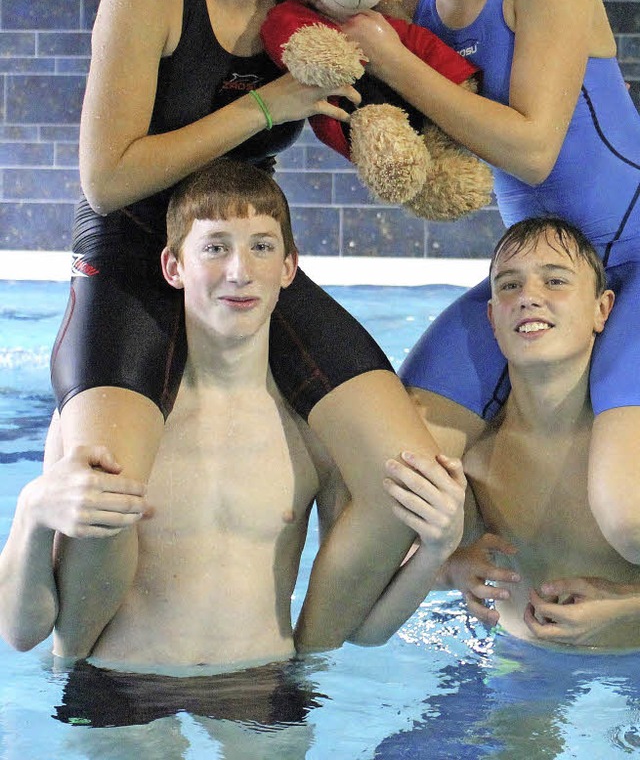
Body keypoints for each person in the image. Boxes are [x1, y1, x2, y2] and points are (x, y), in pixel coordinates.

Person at [140, 0, 640, 567]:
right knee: (394, 466)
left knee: (628, 507)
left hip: (632, 261)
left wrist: (394, 61)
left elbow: (534, 150)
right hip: (535, 276)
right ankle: (463, 581)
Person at [49, 0, 444, 657]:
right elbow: (107, 177)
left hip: (238, 255)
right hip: (129, 252)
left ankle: (300, 669)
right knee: (107, 493)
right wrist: (268, 101)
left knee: (406, 480)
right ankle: (77, 672)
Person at [0, 159, 465, 678]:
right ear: (174, 267)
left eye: (261, 247)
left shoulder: (315, 437)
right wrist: (31, 512)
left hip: (264, 685)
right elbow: (22, 633)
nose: (240, 271)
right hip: (120, 684)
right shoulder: (107, 426)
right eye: (215, 247)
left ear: (289, 268)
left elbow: (362, 632)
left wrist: (436, 549)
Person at [349, 217, 640, 651]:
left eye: (555, 281)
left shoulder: (625, 461)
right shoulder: (472, 461)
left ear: (602, 309)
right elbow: (380, 569)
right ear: (491, 317)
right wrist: (453, 569)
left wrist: (623, 608)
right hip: (521, 662)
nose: (529, 298)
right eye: (508, 286)